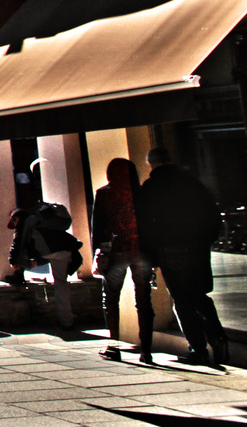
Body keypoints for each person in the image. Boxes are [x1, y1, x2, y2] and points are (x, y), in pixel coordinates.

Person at [137, 147, 228, 367]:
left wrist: (149, 258)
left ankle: (198, 348)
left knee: (182, 298)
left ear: (152, 164)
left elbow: (145, 225)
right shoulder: (192, 183)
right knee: (198, 294)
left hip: (169, 248)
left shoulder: (151, 188)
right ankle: (217, 337)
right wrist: (206, 240)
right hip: (197, 247)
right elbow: (212, 215)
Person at [92, 158, 154, 364]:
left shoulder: (104, 193)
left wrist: (99, 254)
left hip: (115, 251)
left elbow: (98, 227)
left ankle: (113, 346)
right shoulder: (142, 194)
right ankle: (146, 351)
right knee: (144, 301)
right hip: (141, 250)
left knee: (111, 300)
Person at [8, 198, 84, 328]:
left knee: (35, 261)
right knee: (61, 283)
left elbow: (18, 243)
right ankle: (67, 320)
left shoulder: (26, 222)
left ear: (16, 218)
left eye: (13, 221)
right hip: (65, 250)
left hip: (50, 252)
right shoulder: (41, 220)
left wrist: (13, 261)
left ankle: (66, 321)